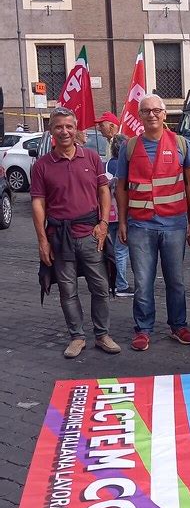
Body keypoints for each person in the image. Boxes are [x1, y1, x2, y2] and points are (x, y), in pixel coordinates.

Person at [30, 106, 121, 359]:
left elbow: (104, 191)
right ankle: (77, 336)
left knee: (101, 287)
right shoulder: (42, 166)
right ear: (51, 131)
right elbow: (38, 203)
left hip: (91, 234)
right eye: (59, 126)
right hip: (59, 237)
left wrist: (103, 224)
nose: (64, 131)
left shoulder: (92, 158)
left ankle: (102, 335)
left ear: (76, 129)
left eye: (69, 126)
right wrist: (42, 241)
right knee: (68, 291)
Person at [116, 93, 190, 351]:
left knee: (176, 279)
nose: (151, 115)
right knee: (143, 281)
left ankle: (178, 326)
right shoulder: (128, 147)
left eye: (156, 110)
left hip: (174, 223)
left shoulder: (180, 144)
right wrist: (121, 222)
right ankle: (143, 329)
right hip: (140, 225)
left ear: (165, 114)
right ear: (139, 116)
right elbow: (121, 187)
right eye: (145, 111)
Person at [106, 133, 134, 298]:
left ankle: (112, 283)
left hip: (109, 213)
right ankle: (121, 285)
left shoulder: (107, 164)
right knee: (122, 249)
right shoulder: (127, 167)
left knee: (113, 249)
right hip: (123, 213)